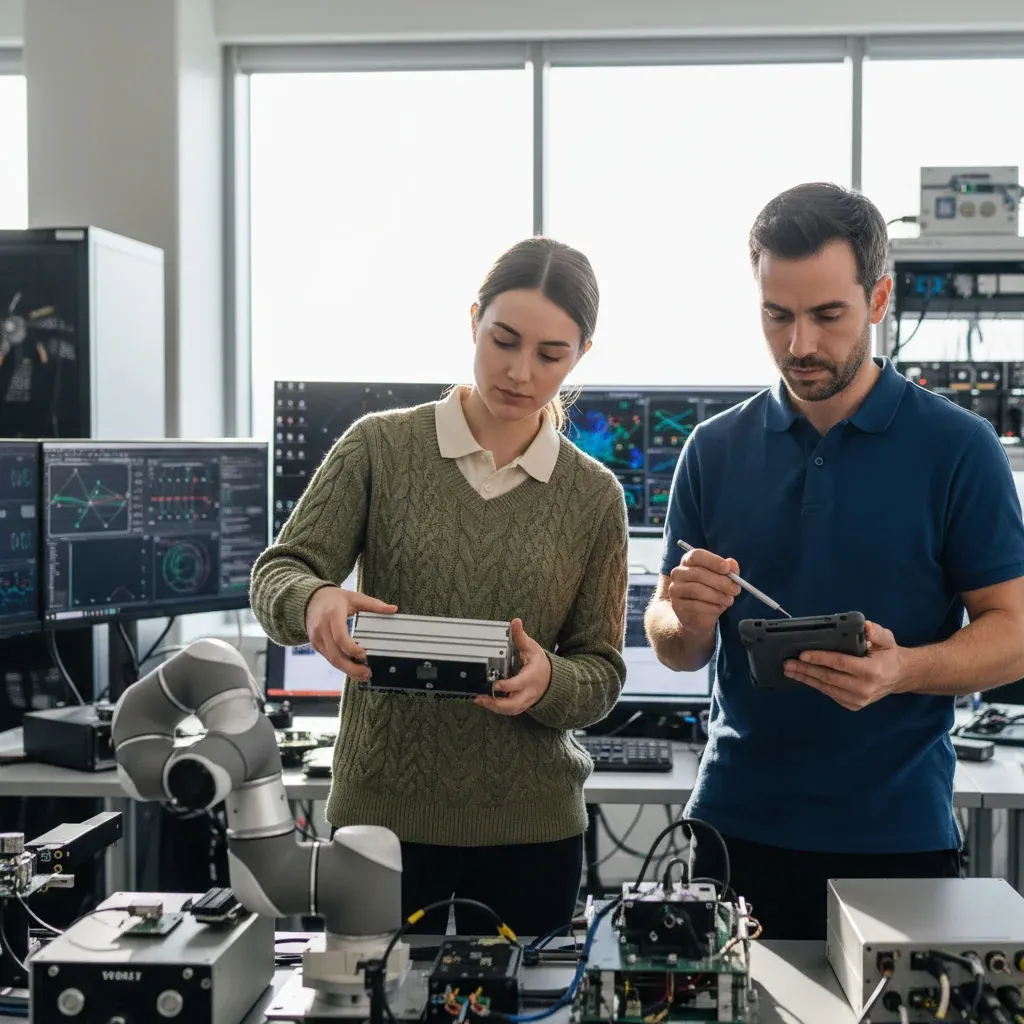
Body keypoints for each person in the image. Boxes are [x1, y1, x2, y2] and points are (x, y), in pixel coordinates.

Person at [645, 182, 1024, 940]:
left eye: (827, 315)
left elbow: (1013, 630)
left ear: (879, 297)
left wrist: (902, 669)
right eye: (777, 315)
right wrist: (681, 615)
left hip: (896, 836)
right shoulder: (713, 449)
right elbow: (677, 646)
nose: (799, 346)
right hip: (734, 829)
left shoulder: (957, 449)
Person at [250, 236, 628, 937]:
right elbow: (277, 574)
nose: (519, 372)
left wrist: (548, 680)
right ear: (473, 320)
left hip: (532, 833)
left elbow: (601, 673)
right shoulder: (379, 448)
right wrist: (316, 602)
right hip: (382, 825)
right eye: (503, 341)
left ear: (581, 356)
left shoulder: (594, 496)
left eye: (551, 355)